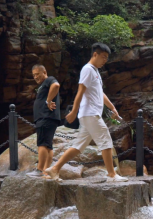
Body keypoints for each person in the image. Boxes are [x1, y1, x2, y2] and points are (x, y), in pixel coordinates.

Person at [42, 43, 128, 182]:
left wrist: (112, 108)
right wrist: (74, 111)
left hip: (90, 114)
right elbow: (80, 92)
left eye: (107, 58)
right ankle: (112, 175)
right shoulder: (87, 69)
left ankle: (54, 169)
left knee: (78, 146)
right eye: (103, 57)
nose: (105, 60)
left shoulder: (96, 71)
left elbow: (100, 93)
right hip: (90, 114)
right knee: (106, 140)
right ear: (95, 54)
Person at [29, 64, 61, 177]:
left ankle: (39, 170)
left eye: (37, 74)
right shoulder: (43, 85)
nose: (35, 77)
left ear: (44, 72)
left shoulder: (49, 80)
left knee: (42, 143)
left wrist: (48, 101)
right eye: (34, 75)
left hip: (46, 117)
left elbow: (56, 85)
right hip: (47, 118)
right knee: (48, 145)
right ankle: (46, 171)